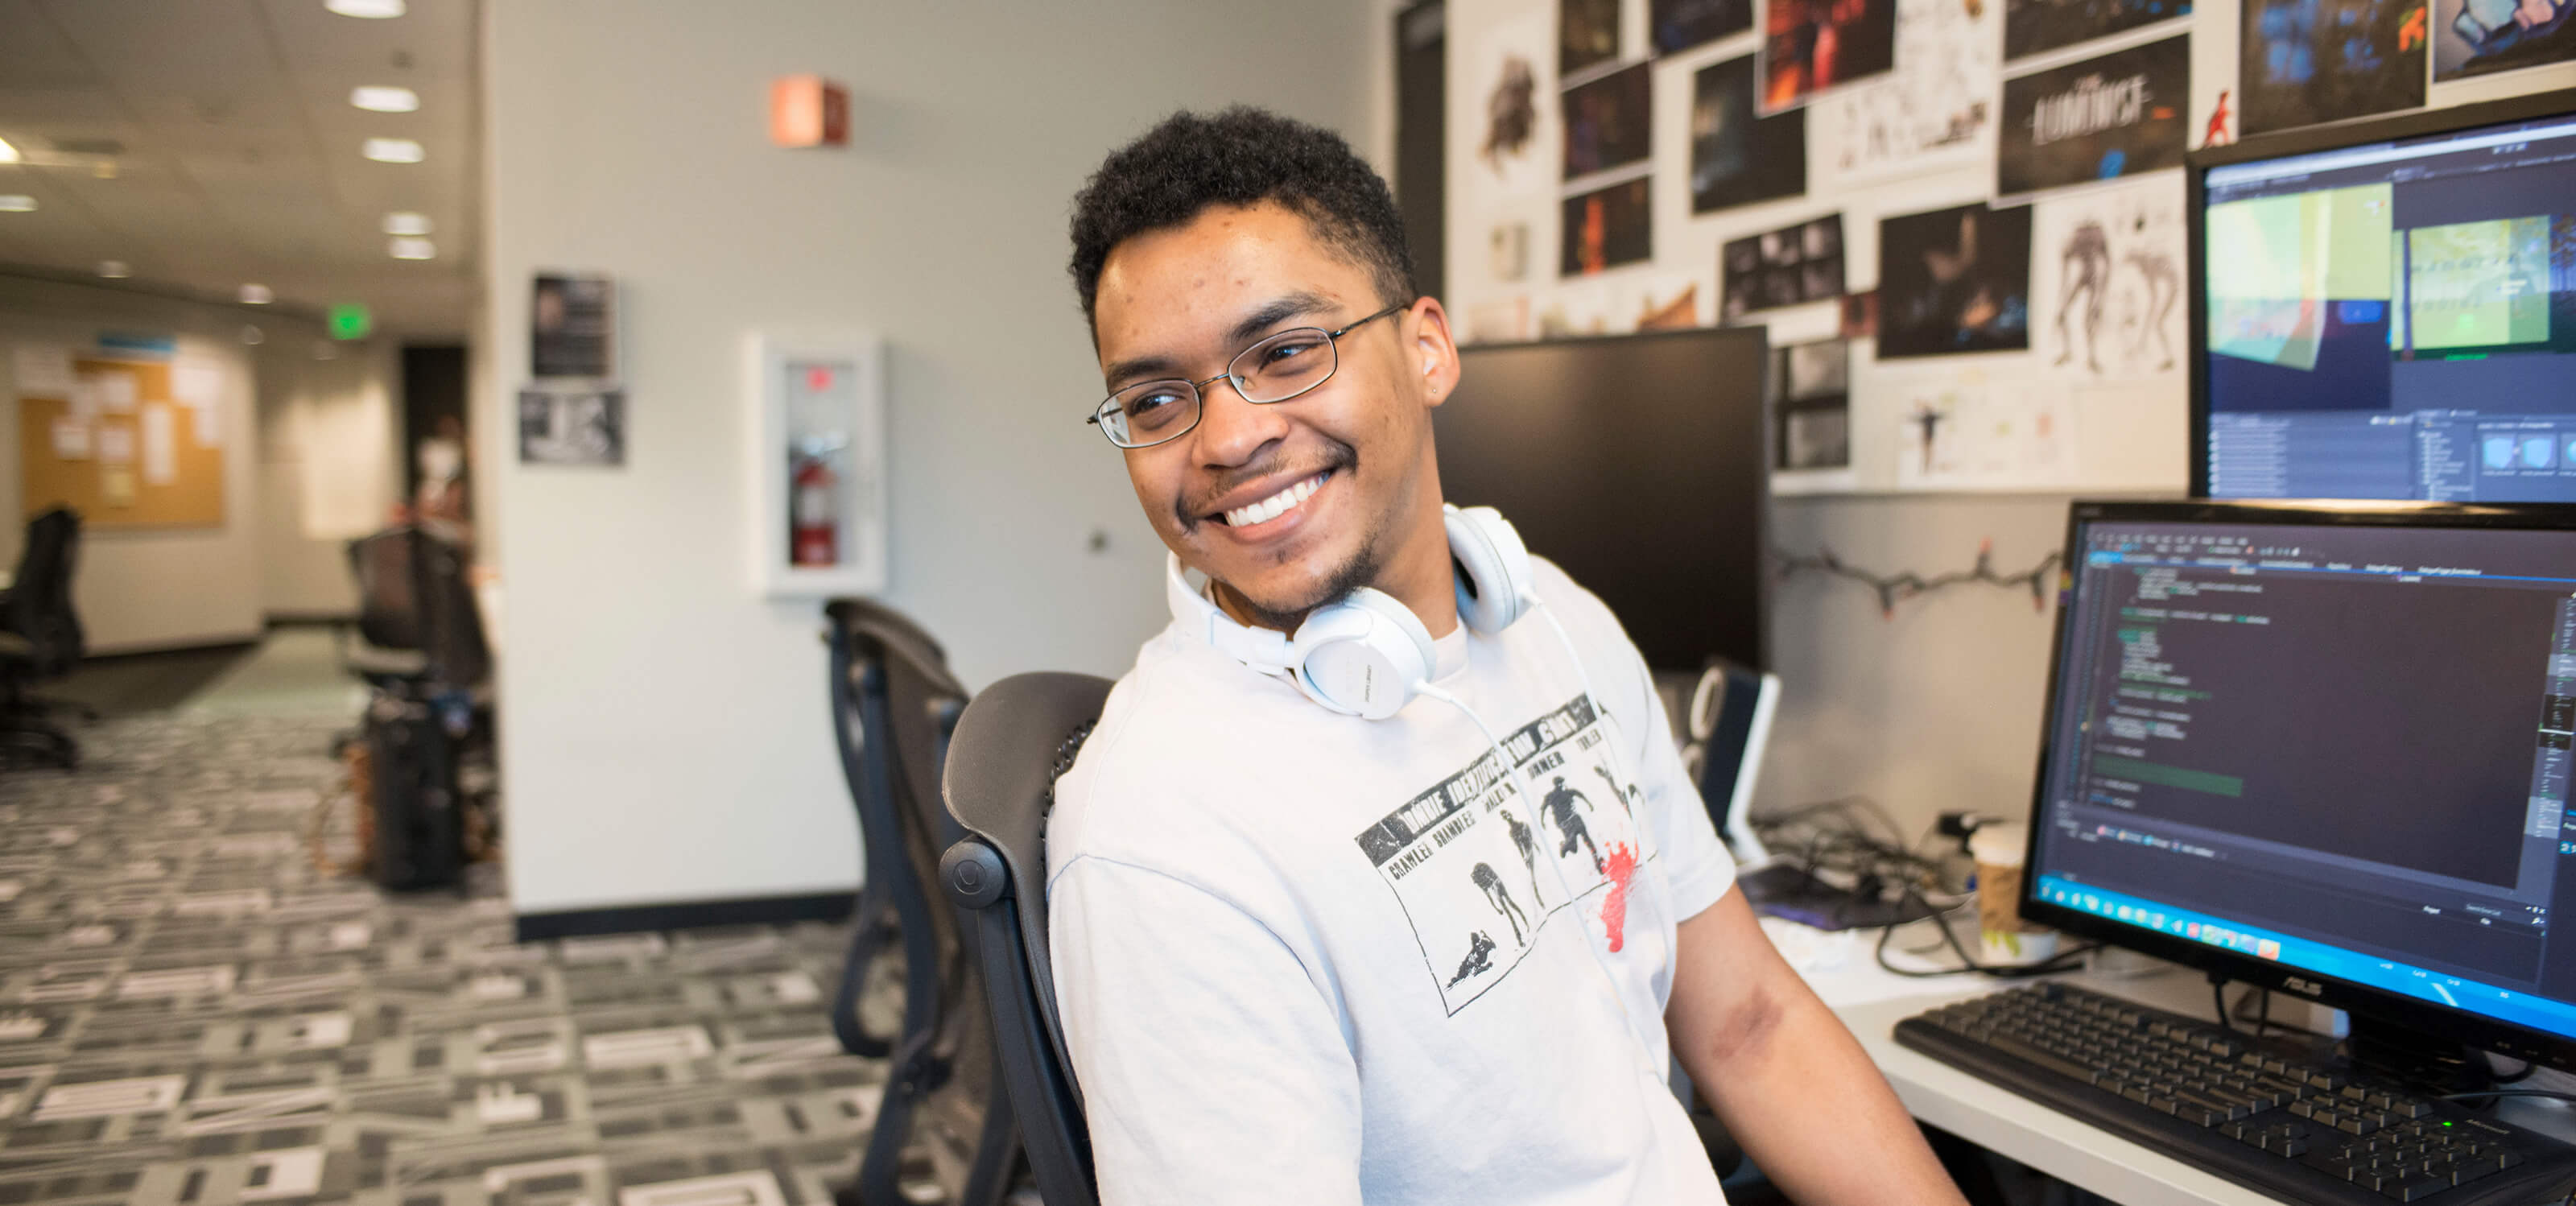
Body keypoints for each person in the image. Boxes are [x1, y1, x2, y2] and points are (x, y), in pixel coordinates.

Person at [1046, 106, 1968, 1205]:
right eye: (1157, 398)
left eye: (1285, 353)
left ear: (1428, 346)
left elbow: (1754, 1023)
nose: (1227, 438)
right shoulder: (1162, 835)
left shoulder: (1554, 623)